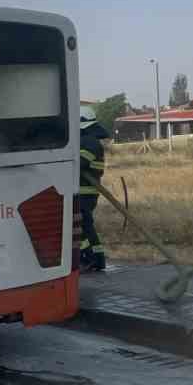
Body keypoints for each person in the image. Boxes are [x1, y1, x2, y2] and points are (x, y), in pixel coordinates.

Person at [78, 113, 110, 272]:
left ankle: (89, 258)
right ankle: (97, 259)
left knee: (81, 227)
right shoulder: (90, 140)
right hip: (86, 192)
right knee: (86, 227)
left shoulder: (88, 141)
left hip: (83, 193)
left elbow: (81, 162)